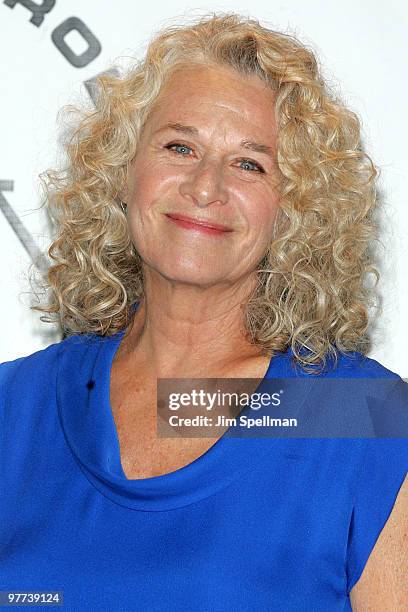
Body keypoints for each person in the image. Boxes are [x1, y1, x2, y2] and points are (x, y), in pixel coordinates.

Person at [1, 11, 407, 611]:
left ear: (295, 208)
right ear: (123, 172)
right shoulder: (13, 407)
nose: (204, 186)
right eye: (179, 145)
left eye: (250, 163)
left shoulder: (363, 418)